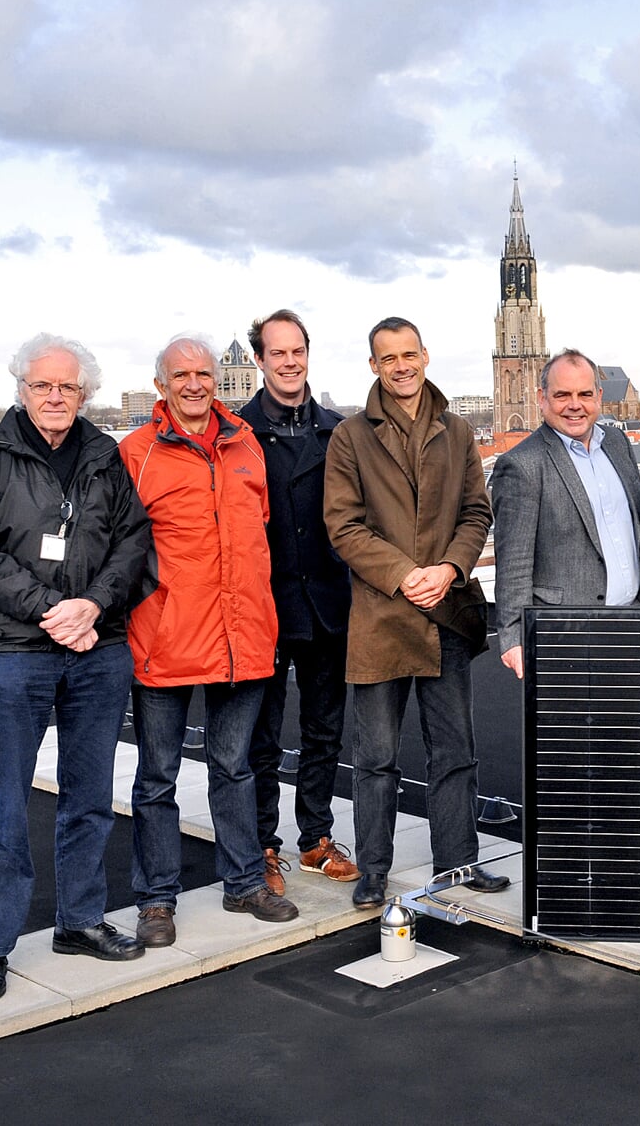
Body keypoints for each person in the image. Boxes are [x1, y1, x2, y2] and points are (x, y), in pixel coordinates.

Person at [0, 334, 151, 1001]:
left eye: (68, 387)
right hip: (12, 650)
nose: (56, 397)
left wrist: (90, 605)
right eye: (43, 386)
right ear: (21, 389)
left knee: (90, 792)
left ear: (84, 393)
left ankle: (80, 920)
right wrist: (50, 611)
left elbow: (134, 542)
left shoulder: (103, 455)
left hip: (96, 645)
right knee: (3, 800)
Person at [119, 334, 299, 948]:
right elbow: (119, 548)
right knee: (157, 778)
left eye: (204, 373)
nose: (195, 384)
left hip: (241, 637)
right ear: (161, 385)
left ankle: (244, 881)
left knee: (234, 767)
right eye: (182, 375)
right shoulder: (136, 453)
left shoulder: (245, 444)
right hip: (166, 638)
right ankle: (156, 899)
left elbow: (262, 534)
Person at [326, 316, 510, 910]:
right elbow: (343, 526)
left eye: (410, 354)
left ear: (426, 356)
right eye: (389, 358)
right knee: (376, 756)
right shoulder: (350, 437)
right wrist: (406, 575)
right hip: (381, 616)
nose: (401, 366)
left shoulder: (458, 432)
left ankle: (458, 863)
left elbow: (476, 514)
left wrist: (450, 569)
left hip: (447, 614)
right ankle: (374, 870)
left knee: (455, 750)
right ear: (374, 366)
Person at [237, 310, 359, 895]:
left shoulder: (339, 431)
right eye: (277, 352)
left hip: (328, 602)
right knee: (261, 736)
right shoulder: (235, 432)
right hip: (263, 605)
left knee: (324, 729)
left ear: (308, 355)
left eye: (298, 351)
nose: (289, 362)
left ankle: (315, 838)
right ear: (260, 360)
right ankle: (264, 844)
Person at [491, 349, 640, 679]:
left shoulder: (617, 443)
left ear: (599, 397)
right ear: (541, 398)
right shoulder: (521, 465)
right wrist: (514, 636)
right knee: (573, 729)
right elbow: (514, 562)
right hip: (564, 634)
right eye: (562, 395)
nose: (575, 405)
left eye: (584, 394)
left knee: (635, 728)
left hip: (635, 624)